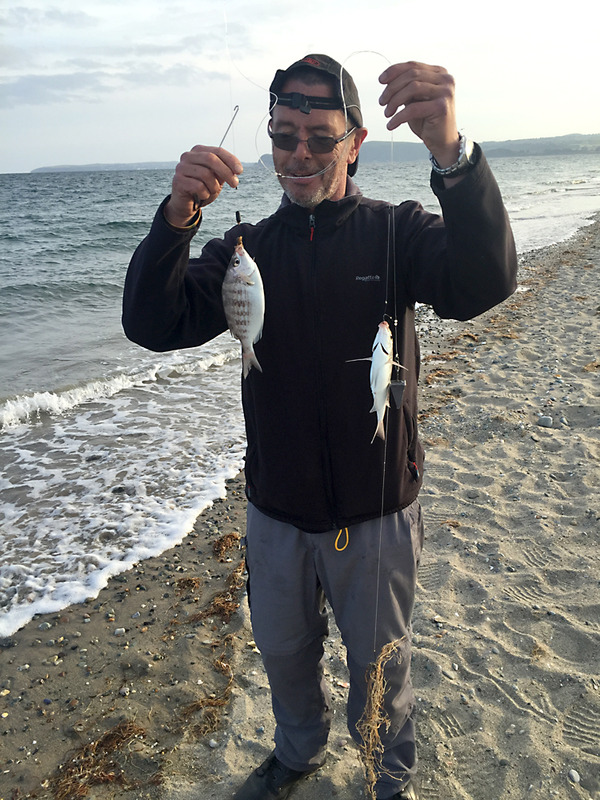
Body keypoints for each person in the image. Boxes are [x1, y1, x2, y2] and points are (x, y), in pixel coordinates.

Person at [123, 55, 517, 800]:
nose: (298, 155)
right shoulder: (245, 252)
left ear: (355, 142)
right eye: (283, 137)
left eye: (319, 138)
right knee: (284, 653)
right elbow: (151, 322)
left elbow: (485, 281)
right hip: (276, 514)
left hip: (377, 519)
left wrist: (452, 156)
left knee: (380, 663)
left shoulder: (397, 235)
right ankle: (299, 752)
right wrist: (176, 220)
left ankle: (386, 775)